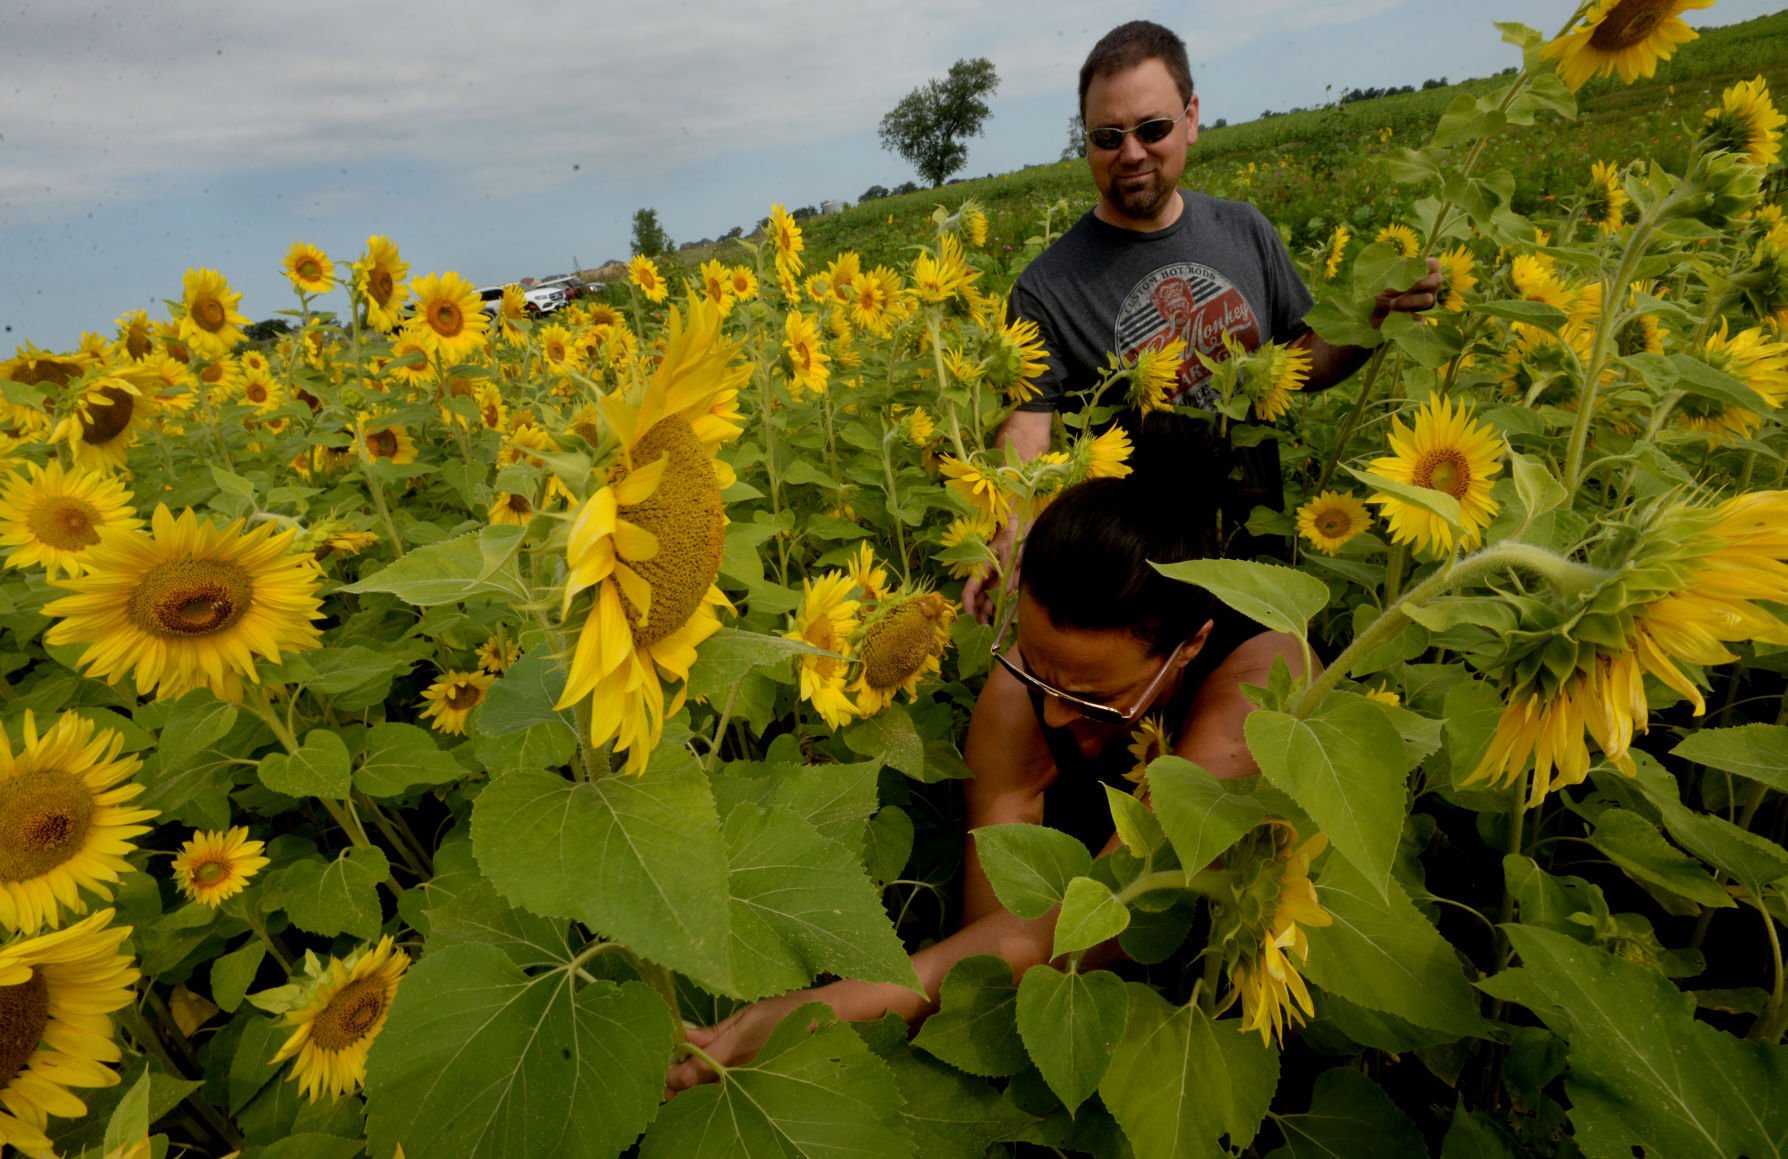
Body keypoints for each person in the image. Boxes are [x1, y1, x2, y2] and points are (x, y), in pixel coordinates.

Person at [663, 417, 1308, 1093]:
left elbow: (1120, 909)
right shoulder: (1017, 695)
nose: (1053, 714)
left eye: (1092, 698)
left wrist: (824, 1010)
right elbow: (992, 941)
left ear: (1191, 645)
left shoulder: (1262, 683)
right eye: (1037, 670)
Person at [962, 20, 1442, 622]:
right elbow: (1028, 428)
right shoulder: (1047, 287)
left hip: (1258, 564)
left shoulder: (1245, 231)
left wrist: (1373, 320)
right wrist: (1011, 523)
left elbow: (1302, 364)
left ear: (1190, 119)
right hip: (1132, 584)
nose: (1130, 152)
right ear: (1085, 141)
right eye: (1107, 136)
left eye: (1152, 128)